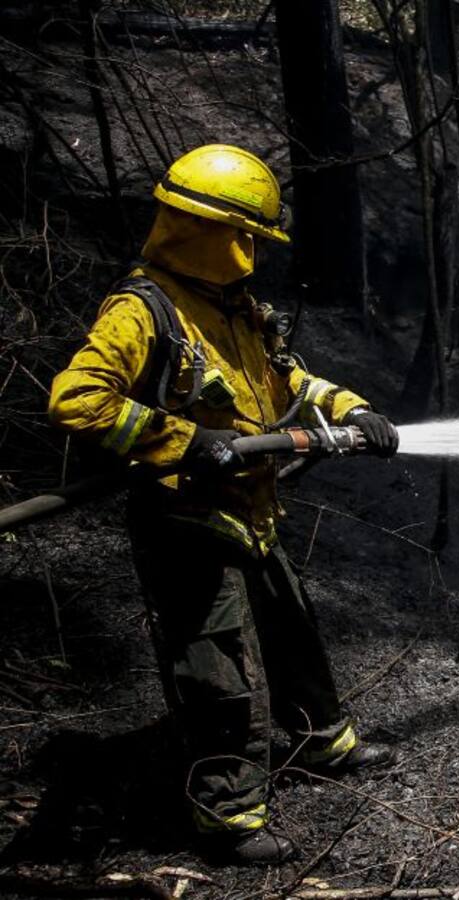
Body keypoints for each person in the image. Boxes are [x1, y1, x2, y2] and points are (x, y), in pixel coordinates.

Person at [47, 145, 400, 864]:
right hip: (184, 523)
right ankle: (229, 818)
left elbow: (289, 385)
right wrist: (181, 440)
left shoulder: (235, 310)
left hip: (251, 509)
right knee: (217, 671)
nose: (252, 254)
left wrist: (356, 410)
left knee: (293, 632)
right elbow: (78, 401)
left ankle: (320, 744)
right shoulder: (141, 311)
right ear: (205, 229)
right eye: (246, 238)